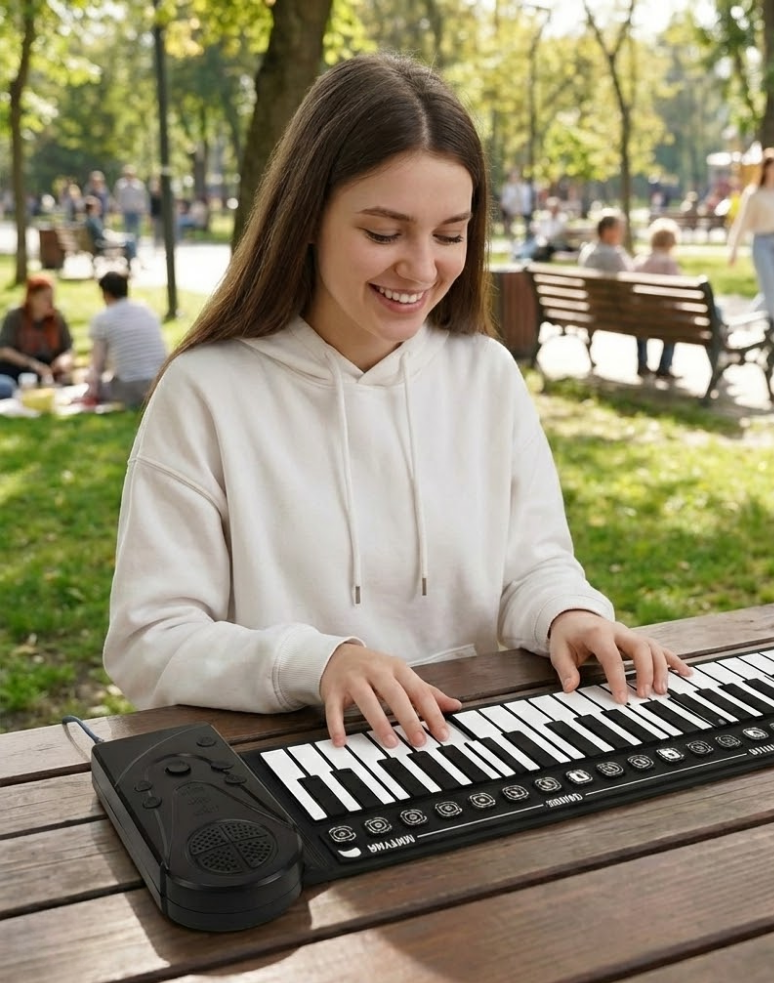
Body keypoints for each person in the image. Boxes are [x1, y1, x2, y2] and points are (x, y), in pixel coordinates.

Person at [103, 53, 691, 753]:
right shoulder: (207, 392)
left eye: (450, 234)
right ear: (309, 218)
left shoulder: (487, 376)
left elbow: (531, 566)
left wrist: (569, 613)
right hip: (292, 770)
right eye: (383, 234)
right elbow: (150, 643)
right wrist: (320, 662)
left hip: (476, 749)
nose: (420, 268)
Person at [727, 147, 774, 326]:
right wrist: (733, 249)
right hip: (762, 243)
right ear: (766, 168)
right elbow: (741, 224)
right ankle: (772, 332)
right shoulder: (754, 194)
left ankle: (746, 322)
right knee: (769, 290)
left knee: (772, 291)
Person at [84, 271, 168, 408]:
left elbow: (96, 365)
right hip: (158, 385)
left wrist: (91, 388)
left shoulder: (102, 318)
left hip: (128, 389)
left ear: (105, 293)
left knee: (100, 384)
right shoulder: (147, 311)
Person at [578, 213, 648, 374]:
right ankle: (644, 363)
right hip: (617, 312)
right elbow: (633, 279)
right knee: (649, 312)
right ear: (607, 230)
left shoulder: (588, 251)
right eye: (619, 228)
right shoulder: (614, 255)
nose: (622, 232)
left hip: (593, 309)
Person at [0, 274, 75, 396]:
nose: (50, 303)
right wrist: (33, 365)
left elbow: (69, 349)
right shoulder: (15, 316)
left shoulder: (57, 318)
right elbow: (4, 350)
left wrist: (63, 361)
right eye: (46, 298)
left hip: (48, 370)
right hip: (18, 368)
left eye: (52, 298)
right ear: (31, 297)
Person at [633, 218, 682, 379]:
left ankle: (642, 363)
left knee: (642, 319)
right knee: (673, 324)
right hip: (664, 319)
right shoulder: (669, 264)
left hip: (640, 317)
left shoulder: (640, 261)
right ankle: (664, 366)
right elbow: (678, 294)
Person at [83, 197, 137, 269]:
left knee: (129, 238)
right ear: (91, 208)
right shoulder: (92, 220)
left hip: (101, 241)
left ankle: (135, 260)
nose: (99, 208)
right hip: (101, 243)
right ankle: (134, 261)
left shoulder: (90, 220)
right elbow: (101, 235)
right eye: (97, 207)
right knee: (129, 241)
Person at [113, 165, 148, 241]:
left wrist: (143, 209)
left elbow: (142, 198)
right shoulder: (120, 184)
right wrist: (117, 207)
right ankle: (128, 245)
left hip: (136, 210)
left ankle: (137, 244)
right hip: (125, 210)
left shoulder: (139, 185)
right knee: (126, 229)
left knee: (137, 229)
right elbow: (118, 197)